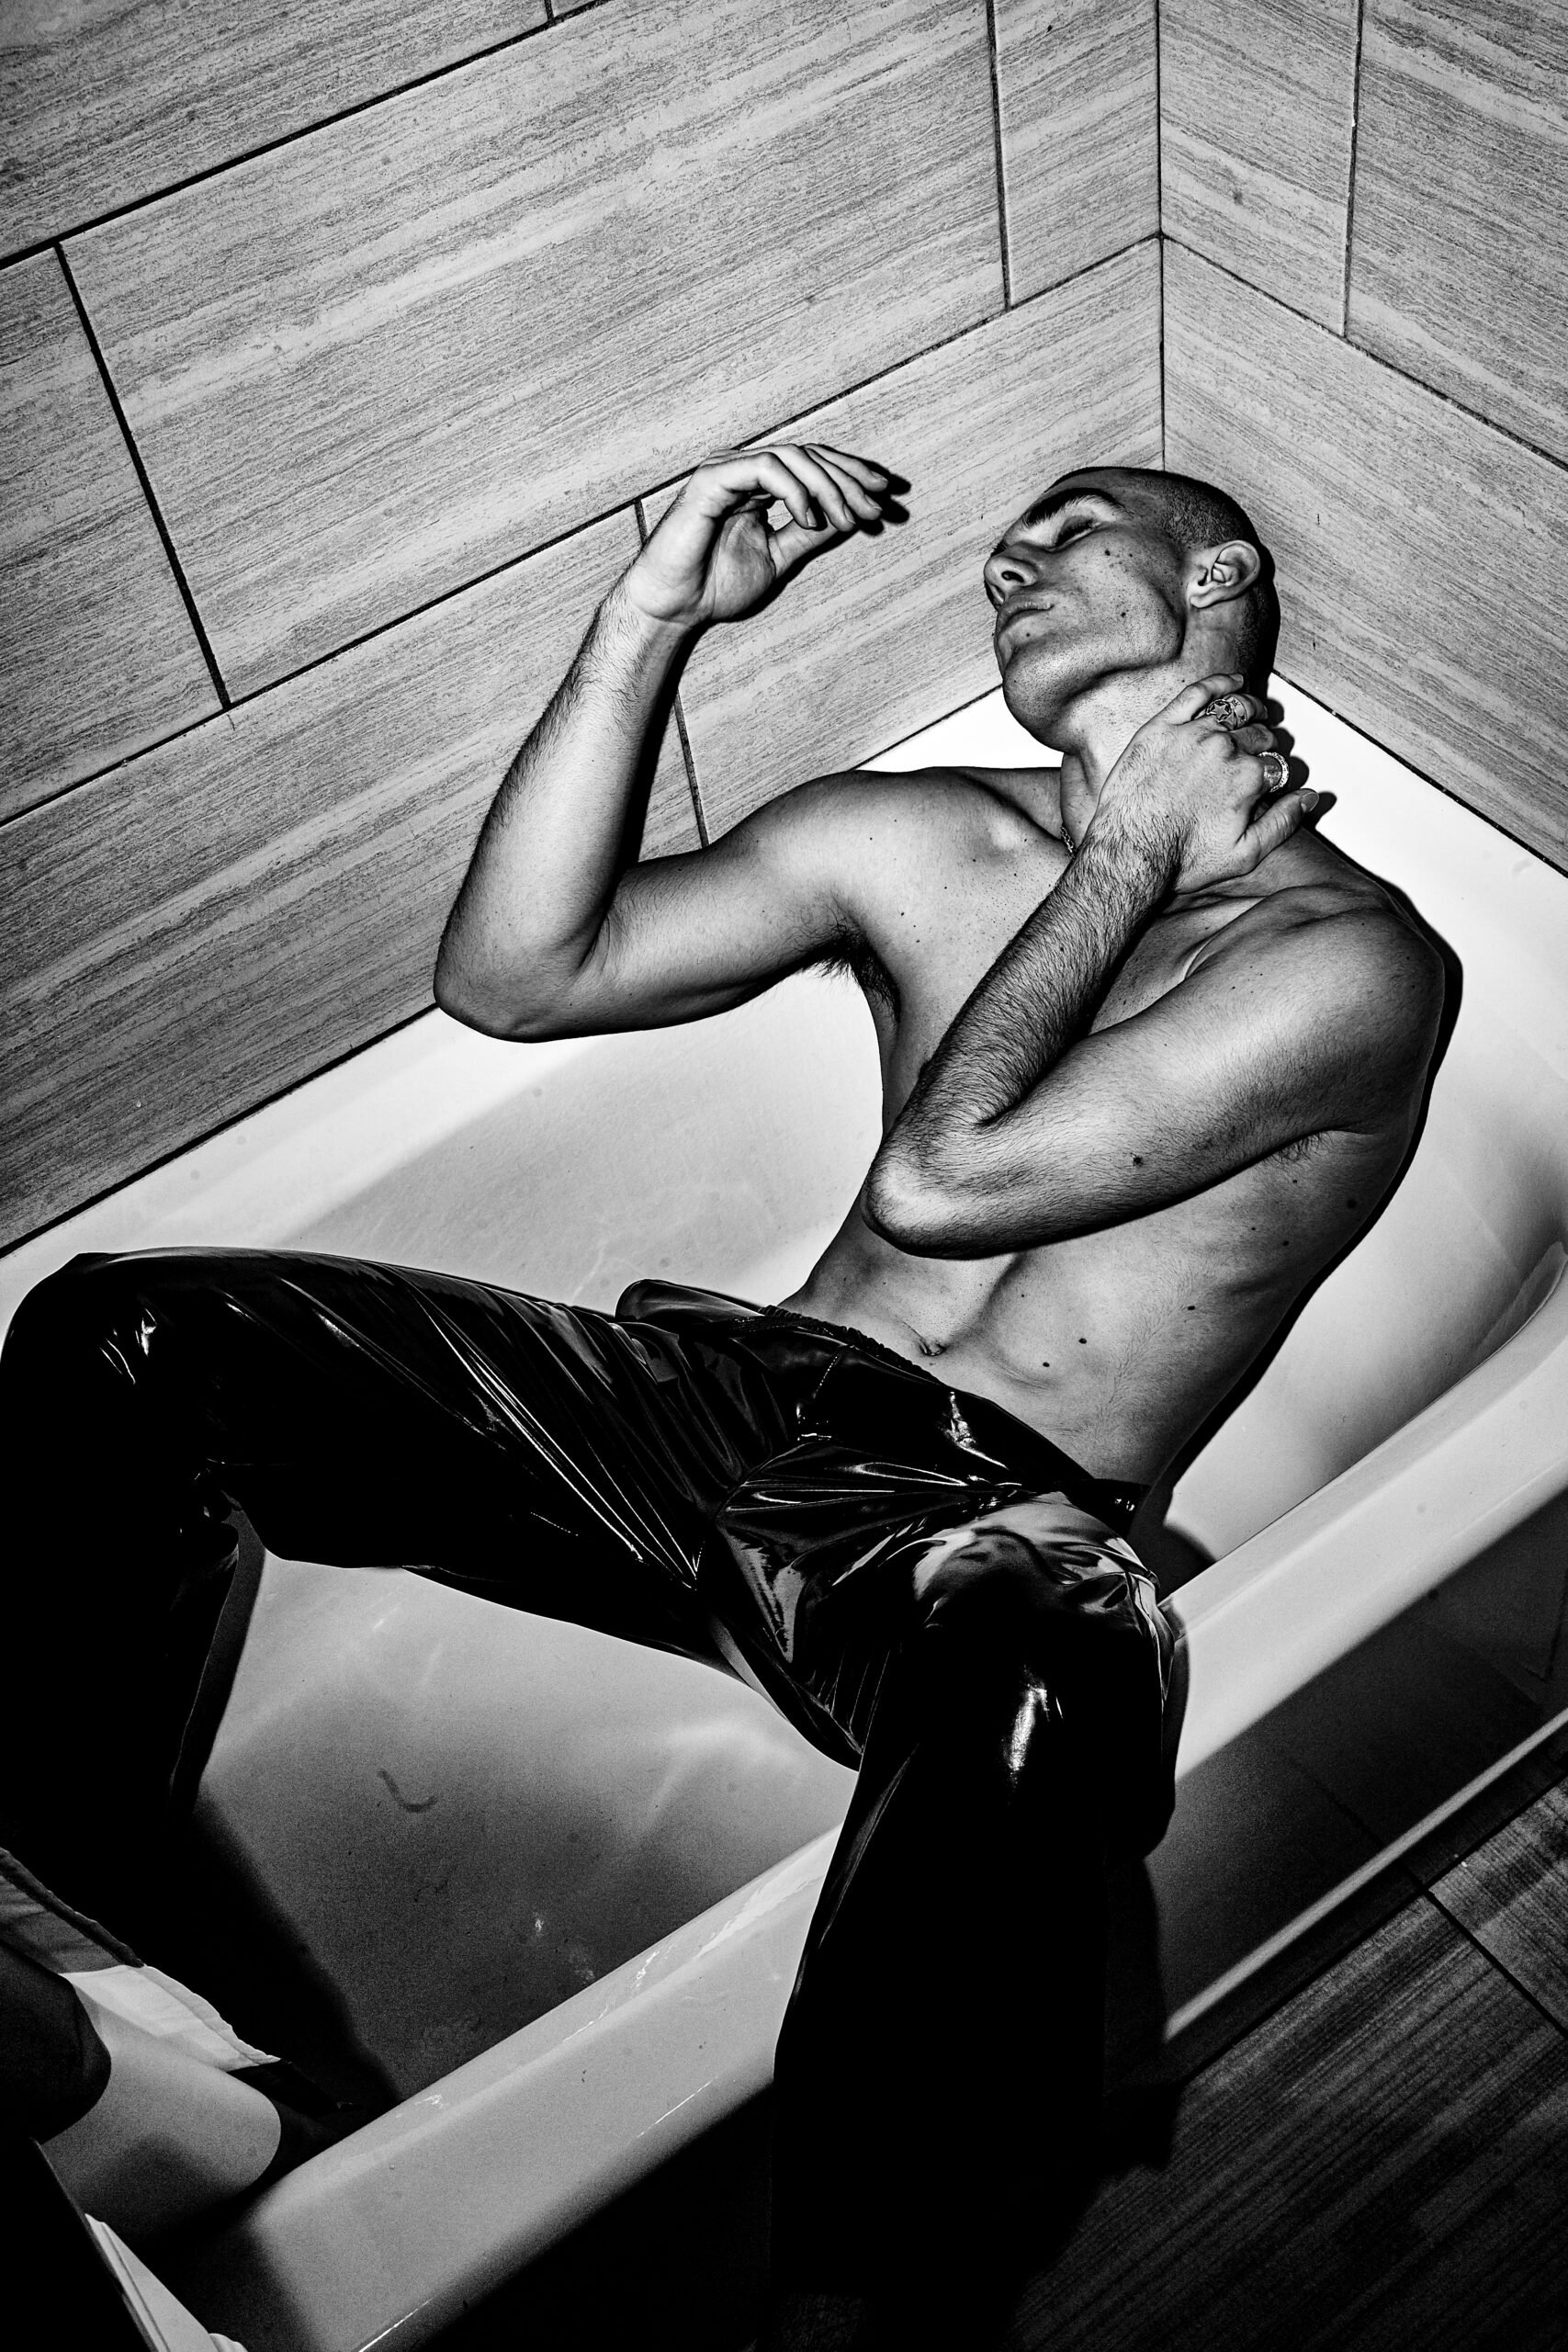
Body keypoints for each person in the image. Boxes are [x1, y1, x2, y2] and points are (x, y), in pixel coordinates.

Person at [0, 447, 1443, 2347]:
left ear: (1219, 574)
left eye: (1070, 526)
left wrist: (1128, 850)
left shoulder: (1353, 965)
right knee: (122, 1334)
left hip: (964, 1524)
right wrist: (650, 618)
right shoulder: (917, 837)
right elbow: (515, 976)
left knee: (1046, 1681)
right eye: (1000, 545)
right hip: (712, 1411)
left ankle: (870, 2309)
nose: (1005, 560)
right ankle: (87, 1982)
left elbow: (947, 1181)